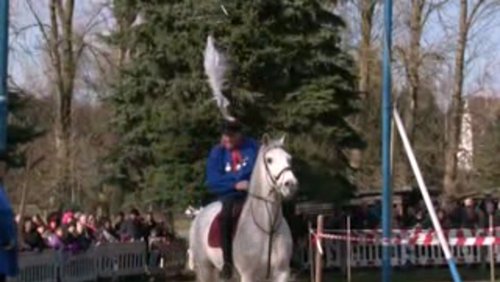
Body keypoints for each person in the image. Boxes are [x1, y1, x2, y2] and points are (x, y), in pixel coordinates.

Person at [206, 120, 259, 279]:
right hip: (231, 194)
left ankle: (286, 253)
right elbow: (213, 180)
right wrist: (235, 184)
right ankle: (227, 262)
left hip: (255, 193)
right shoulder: (217, 152)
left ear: (239, 135)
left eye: (230, 136)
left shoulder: (253, 147)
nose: (226, 139)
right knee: (226, 216)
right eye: (224, 135)